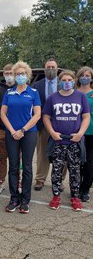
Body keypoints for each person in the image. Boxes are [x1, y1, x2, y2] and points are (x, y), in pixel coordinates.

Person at [43, 70, 90, 211]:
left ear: (73, 80)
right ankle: (56, 196)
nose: (67, 82)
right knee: (56, 170)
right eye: (64, 80)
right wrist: (52, 132)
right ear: (60, 81)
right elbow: (46, 117)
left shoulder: (81, 96)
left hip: (75, 140)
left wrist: (80, 133)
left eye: (70, 79)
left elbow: (86, 117)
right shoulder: (53, 98)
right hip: (58, 140)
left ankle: (75, 197)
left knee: (75, 170)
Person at [1, 61, 41, 214]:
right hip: (12, 133)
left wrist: (23, 130)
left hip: (29, 133)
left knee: (27, 167)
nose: (20, 76)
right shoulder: (9, 93)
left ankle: (25, 199)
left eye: (23, 74)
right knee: (13, 166)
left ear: (28, 75)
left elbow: (37, 114)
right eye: (17, 74)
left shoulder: (34, 93)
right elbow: (3, 114)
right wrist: (12, 130)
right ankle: (14, 198)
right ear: (13, 75)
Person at [33, 58, 68, 191]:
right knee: (42, 153)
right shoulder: (37, 85)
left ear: (57, 69)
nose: (51, 69)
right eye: (48, 67)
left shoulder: (64, 84)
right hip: (43, 125)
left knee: (62, 154)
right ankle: (40, 179)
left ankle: (60, 180)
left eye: (53, 67)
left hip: (62, 125)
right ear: (44, 69)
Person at [0, 64, 14, 194]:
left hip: (17, 129)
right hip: (2, 129)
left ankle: (16, 181)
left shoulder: (20, 89)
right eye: (6, 73)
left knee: (16, 157)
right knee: (2, 156)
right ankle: (1, 181)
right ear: (3, 75)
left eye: (11, 73)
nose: (9, 75)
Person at [76, 67, 93, 202]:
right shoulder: (74, 93)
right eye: (82, 75)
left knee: (89, 163)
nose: (85, 77)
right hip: (76, 132)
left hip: (91, 132)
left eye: (88, 75)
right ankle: (76, 187)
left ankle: (85, 189)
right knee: (77, 162)